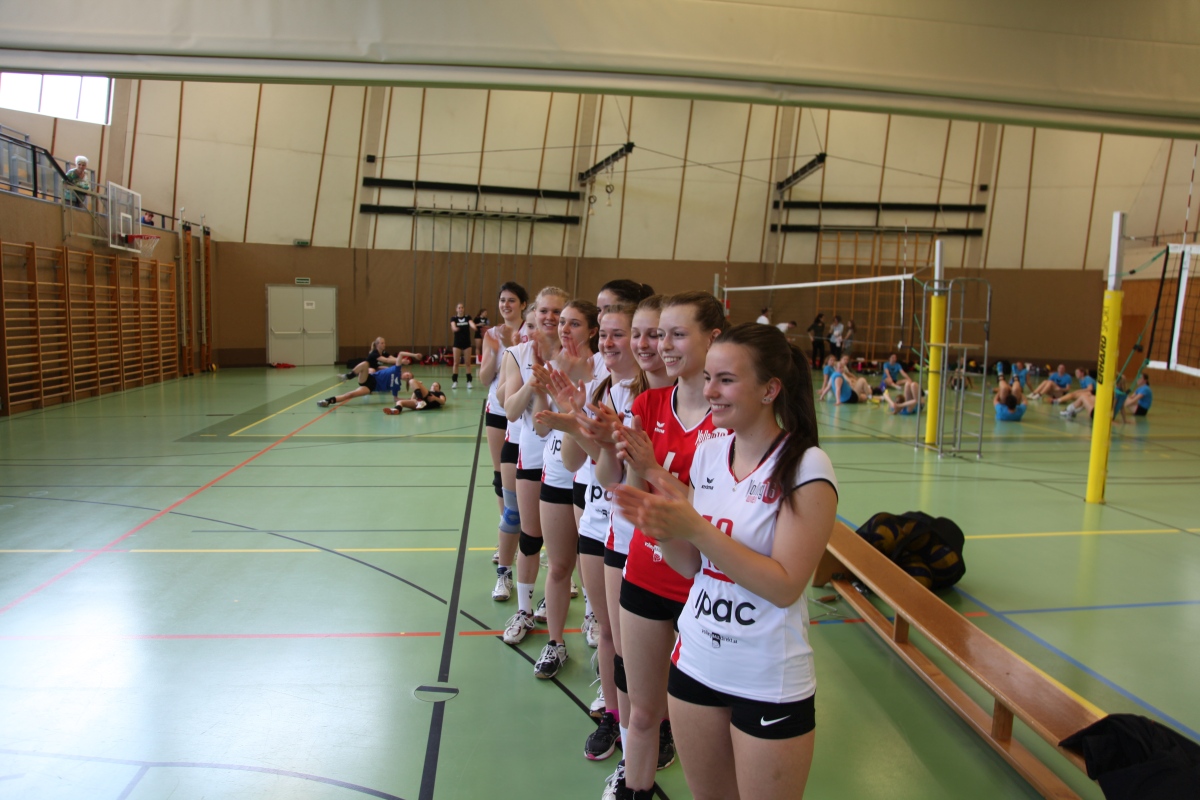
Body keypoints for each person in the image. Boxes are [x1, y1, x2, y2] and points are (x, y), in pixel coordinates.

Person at [612, 322, 836, 800]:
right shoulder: (710, 454)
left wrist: (694, 527)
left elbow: (784, 586)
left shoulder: (806, 465)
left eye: (726, 380)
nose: (710, 391)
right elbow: (691, 566)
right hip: (696, 662)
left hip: (766, 675)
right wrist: (661, 526)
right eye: (709, 378)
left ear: (770, 389)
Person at [593, 291, 730, 799]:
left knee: (709, 726)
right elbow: (629, 491)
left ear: (712, 338)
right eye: (658, 334)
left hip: (706, 587)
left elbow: (721, 517)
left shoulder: (729, 417)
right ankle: (635, 788)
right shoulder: (648, 404)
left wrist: (653, 469)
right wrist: (607, 446)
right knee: (643, 710)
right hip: (645, 574)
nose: (663, 345)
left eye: (676, 334)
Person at [528, 299, 600, 679]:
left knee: (591, 568)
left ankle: (595, 619)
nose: (564, 329)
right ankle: (555, 643)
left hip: (589, 476)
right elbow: (541, 428)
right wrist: (542, 392)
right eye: (562, 323)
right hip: (557, 473)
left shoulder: (603, 369)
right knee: (558, 566)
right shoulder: (554, 367)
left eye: (574, 323)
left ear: (592, 330)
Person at [500, 287, 572, 645]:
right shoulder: (518, 354)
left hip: (569, 457)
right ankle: (524, 610)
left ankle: (590, 614)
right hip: (531, 453)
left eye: (558, 312)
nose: (550, 317)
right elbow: (512, 410)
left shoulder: (578, 358)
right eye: (544, 310)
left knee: (577, 543)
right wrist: (533, 383)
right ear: (535, 313)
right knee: (530, 536)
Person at [481, 282, 529, 602]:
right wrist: (499, 352)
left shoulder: (532, 330)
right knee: (501, 477)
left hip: (525, 413)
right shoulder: (492, 335)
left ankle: (531, 541)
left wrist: (516, 348)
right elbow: (485, 378)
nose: (506, 305)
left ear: (523, 304)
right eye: (502, 300)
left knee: (531, 480)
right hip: (499, 410)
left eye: (512, 300)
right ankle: (506, 541)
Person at [316, 361, 410, 407]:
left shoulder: (397, 386)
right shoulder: (396, 369)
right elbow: (400, 355)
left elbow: (395, 399)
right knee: (365, 364)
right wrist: (411, 356)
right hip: (369, 378)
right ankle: (347, 376)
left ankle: (327, 401)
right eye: (408, 374)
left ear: (406, 381)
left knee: (350, 395)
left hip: (370, 387)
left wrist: (408, 400)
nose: (407, 376)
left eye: (408, 378)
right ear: (405, 371)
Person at [449, 302, 476, 389]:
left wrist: (474, 326)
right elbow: (453, 326)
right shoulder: (454, 318)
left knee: (467, 363)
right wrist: (454, 328)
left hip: (467, 342)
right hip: (457, 343)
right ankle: (455, 381)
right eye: (459, 308)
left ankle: (469, 381)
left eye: (462, 307)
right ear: (456, 309)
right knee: (456, 363)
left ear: (463, 309)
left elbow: (471, 323)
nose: (461, 309)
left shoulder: (467, 317)